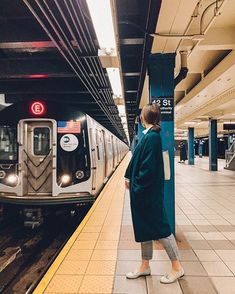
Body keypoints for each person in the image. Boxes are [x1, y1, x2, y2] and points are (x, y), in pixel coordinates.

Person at [124, 103, 184, 284]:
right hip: (145, 194)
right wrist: (128, 176)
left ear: (144, 117)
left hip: (147, 194)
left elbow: (148, 169)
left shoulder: (151, 138)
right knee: (145, 229)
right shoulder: (149, 135)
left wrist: (137, 187)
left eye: (141, 114)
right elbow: (137, 159)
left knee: (161, 229)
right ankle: (145, 265)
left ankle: (177, 267)